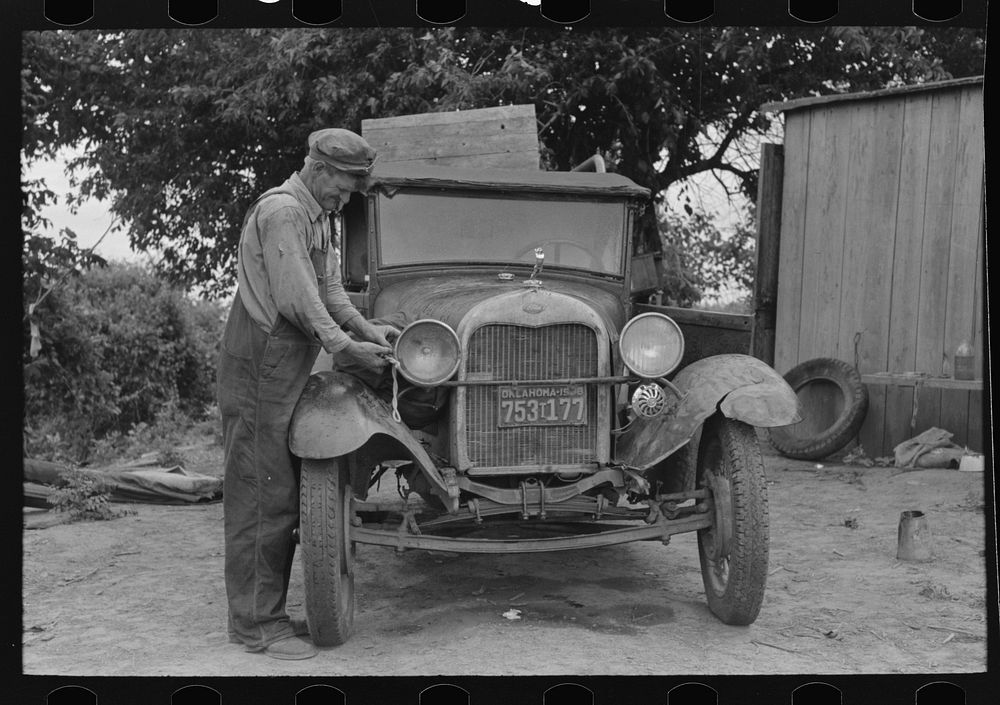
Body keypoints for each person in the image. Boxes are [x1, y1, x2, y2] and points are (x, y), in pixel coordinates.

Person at [217, 128, 399, 660]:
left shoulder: (318, 218)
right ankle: (255, 626)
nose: (345, 200)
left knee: (280, 486)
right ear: (318, 170)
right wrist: (346, 346)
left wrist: (368, 331)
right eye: (342, 187)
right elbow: (299, 299)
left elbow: (331, 291)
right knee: (260, 493)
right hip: (257, 365)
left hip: (283, 365)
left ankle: (264, 612)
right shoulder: (284, 213)